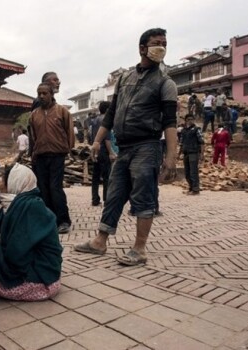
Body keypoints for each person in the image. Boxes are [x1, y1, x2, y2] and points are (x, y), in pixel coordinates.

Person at [74, 28, 178, 266]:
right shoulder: (125, 78)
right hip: (124, 148)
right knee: (114, 194)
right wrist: (98, 141)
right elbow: (111, 114)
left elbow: (170, 122)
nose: (161, 47)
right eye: (156, 43)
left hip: (148, 146)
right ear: (142, 48)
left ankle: (139, 249)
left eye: (164, 43)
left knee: (143, 197)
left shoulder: (166, 82)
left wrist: (171, 157)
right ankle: (100, 241)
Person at [0, 163, 62, 300]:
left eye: (3, 181)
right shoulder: (18, 204)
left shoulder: (27, 208)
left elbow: (16, 258)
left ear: (14, 182)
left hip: (40, 284)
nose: (0, 185)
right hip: (49, 276)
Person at [29, 82, 74, 234]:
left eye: (44, 93)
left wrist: (68, 150)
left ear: (52, 94)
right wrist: (33, 154)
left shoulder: (62, 111)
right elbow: (33, 137)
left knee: (55, 188)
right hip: (40, 156)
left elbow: (69, 132)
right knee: (43, 189)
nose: (41, 96)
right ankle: (50, 219)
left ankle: (64, 220)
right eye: (39, 93)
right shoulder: (34, 115)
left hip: (57, 155)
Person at [90, 101, 117, 206]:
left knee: (95, 177)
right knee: (106, 176)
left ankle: (95, 199)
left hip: (95, 150)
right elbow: (107, 139)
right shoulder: (106, 120)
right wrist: (111, 152)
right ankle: (107, 199)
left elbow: (91, 135)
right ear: (107, 110)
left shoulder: (94, 120)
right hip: (103, 151)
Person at [179, 114, 204, 195]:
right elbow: (181, 143)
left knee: (193, 172)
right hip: (186, 153)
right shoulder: (183, 131)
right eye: (189, 119)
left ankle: (196, 189)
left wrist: (202, 154)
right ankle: (191, 188)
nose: (190, 121)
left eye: (192, 119)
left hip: (193, 152)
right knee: (187, 173)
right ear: (186, 120)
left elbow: (201, 142)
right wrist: (179, 153)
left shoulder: (197, 129)